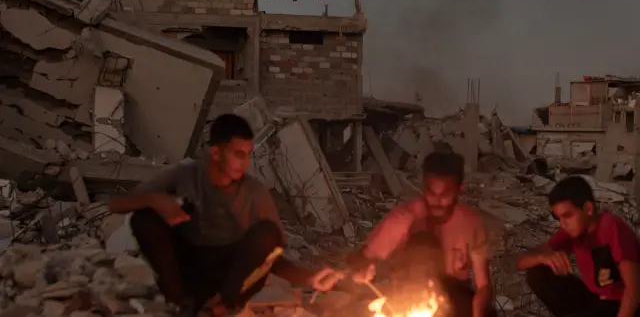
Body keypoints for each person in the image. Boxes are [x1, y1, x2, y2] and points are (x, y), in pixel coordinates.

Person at [109, 114, 313, 316]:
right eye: (238, 154)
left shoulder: (255, 192)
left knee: (268, 233)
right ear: (216, 153)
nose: (245, 163)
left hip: (229, 275)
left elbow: (272, 255)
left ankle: (224, 304)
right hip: (189, 268)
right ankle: (180, 302)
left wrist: (308, 278)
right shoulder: (185, 174)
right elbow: (116, 204)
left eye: (248, 154)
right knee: (144, 218)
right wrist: (154, 200)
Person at [311, 151, 496, 317]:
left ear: (459, 190)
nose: (437, 202)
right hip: (409, 293)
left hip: (454, 296)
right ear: (424, 188)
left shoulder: (470, 223)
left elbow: (483, 286)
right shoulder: (403, 219)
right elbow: (363, 258)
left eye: (445, 194)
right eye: (432, 193)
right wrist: (359, 268)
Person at [516, 176, 639, 317]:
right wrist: (543, 258)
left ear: (588, 208)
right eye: (558, 218)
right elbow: (520, 262)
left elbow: (634, 289)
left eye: (567, 216)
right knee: (537, 274)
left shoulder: (612, 228)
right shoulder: (571, 232)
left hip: (623, 305)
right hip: (597, 299)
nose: (563, 224)